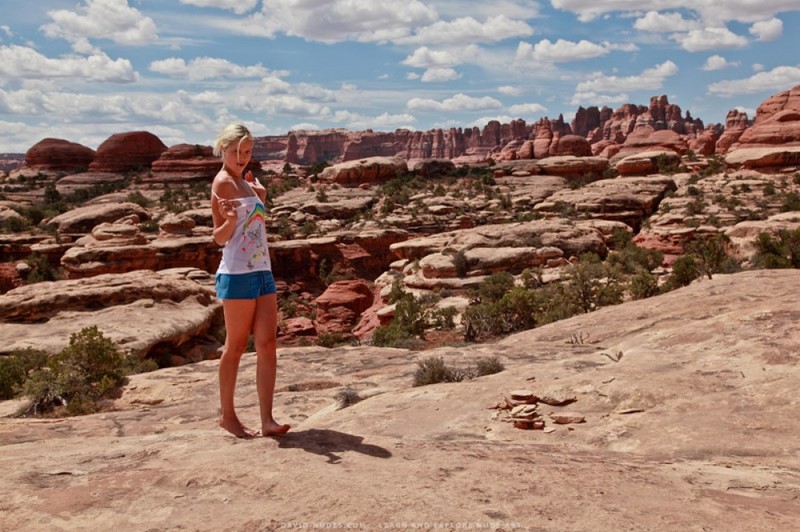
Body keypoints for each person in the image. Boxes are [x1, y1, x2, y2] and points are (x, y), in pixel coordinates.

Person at [210, 123, 290, 438]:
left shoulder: (245, 182)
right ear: (223, 150)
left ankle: (267, 420)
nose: (242, 158)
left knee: (268, 344)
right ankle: (227, 416)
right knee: (236, 345)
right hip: (237, 273)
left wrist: (261, 197)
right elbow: (219, 237)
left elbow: (253, 225)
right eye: (235, 152)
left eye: (247, 152)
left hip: (262, 271)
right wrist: (228, 221)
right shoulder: (222, 183)